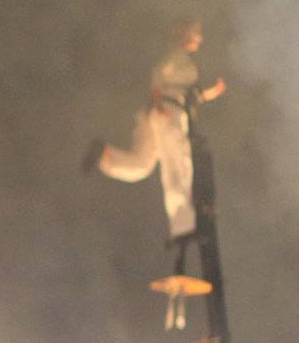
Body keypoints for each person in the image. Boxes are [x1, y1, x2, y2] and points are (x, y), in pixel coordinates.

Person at [83, 19, 227, 250]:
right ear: (186, 35)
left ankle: (105, 154)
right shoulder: (179, 60)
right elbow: (164, 82)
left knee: (141, 165)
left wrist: (211, 93)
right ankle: (183, 228)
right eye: (196, 34)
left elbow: (187, 93)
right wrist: (161, 103)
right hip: (169, 114)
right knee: (178, 167)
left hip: (157, 114)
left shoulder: (177, 60)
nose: (200, 39)